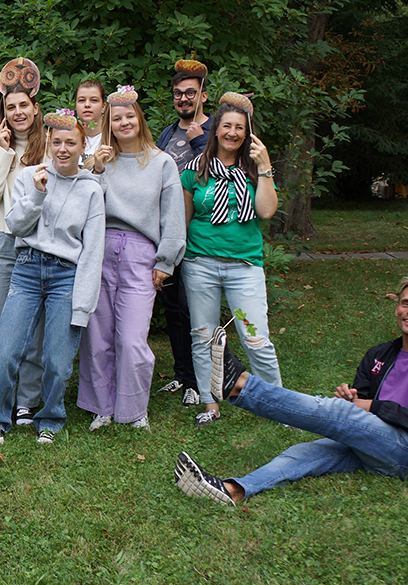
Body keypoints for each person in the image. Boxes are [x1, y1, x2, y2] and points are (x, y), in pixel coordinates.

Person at [176, 274, 408, 505]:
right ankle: (232, 490)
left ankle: (240, 386)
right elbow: (362, 399)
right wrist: (353, 398)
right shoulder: (380, 354)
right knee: (303, 452)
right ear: (397, 308)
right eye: (406, 303)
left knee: (336, 412)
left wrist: (370, 408)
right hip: (370, 442)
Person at [0, 110, 105, 446]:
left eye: (71, 143)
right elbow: (16, 226)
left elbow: (93, 251)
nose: (63, 149)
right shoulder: (29, 176)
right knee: (6, 351)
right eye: (58, 142)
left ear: (82, 148)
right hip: (27, 269)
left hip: (67, 275)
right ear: (49, 142)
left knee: (56, 359)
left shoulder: (92, 190)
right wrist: (37, 194)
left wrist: (83, 304)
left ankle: (49, 417)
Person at [77, 85, 186, 430]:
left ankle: (134, 410)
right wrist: (96, 170)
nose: (124, 123)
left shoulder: (161, 163)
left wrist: (166, 261)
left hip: (141, 252)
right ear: (109, 124)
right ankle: (102, 407)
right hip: (102, 248)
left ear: (139, 119)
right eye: (117, 119)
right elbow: (85, 207)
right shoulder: (101, 163)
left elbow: (173, 216)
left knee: (132, 338)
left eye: (129, 117)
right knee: (98, 334)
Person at [180, 94, 281, 427]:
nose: (233, 133)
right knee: (203, 335)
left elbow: (266, 211)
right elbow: (183, 221)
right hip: (200, 265)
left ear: (248, 132)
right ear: (216, 130)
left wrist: (264, 165)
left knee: (255, 336)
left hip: (244, 267)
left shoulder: (254, 171)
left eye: (240, 127)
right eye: (227, 126)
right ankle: (210, 405)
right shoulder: (195, 171)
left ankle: (276, 403)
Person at [0, 58, 49, 426]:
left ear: (35, 108)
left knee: (32, 325)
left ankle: (27, 400)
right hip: (3, 242)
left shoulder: (51, 147)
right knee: (0, 323)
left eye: (24, 106)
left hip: (38, 245)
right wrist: (4, 152)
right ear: (3, 114)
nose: (18, 112)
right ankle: (1, 396)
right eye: (11, 108)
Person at [154, 57, 215, 406]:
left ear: (203, 96)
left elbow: (220, 179)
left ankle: (201, 381)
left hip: (199, 237)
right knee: (173, 310)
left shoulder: (214, 132)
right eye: (178, 94)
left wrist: (197, 143)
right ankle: (182, 376)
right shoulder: (166, 133)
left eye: (190, 93)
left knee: (194, 312)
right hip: (168, 234)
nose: (183, 100)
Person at [74, 79, 106, 166]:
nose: (87, 105)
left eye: (94, 100)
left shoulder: (113, 136)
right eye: (81, 100)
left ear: (103, 106)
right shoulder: (67, 135)